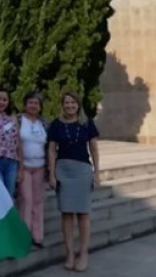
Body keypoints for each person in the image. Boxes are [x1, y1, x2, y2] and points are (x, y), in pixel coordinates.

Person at [48, 91, 101, 272]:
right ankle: (69, 254)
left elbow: (93, 148)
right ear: (62, 105)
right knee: (67, 214)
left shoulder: (87, 123)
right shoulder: (56, 125)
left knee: (83, 214)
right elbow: (52, 151)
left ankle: (83, 253)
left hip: (82, 171)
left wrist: (97, 172)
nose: (70, 106)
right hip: (63, 170)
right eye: (66, 103)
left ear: (78, 105)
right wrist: (52, 175)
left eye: (73, 102)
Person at [17, 91, 48, 248]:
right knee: (26, 201)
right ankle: (24, 236)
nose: (33, 105)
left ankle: (38, 236)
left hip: (40, 167)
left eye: (36, 103)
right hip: (24, 167)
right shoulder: (18, 119)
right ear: (25, 104)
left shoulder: (43, 122)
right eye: (30, 102)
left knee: (38, 202)